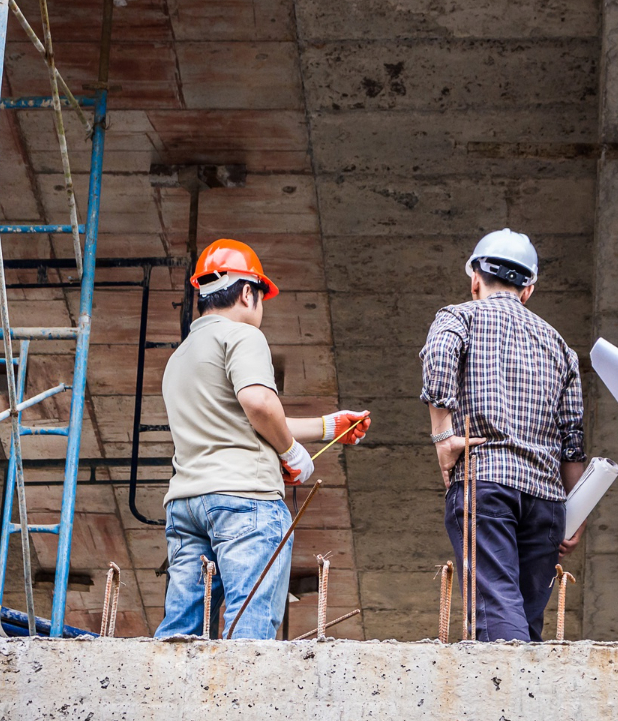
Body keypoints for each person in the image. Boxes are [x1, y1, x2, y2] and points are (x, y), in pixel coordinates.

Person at [156, 239, 371, 639]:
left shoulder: (180, 356)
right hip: (244, 500)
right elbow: (258, 405)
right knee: (248, 623)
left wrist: (328, 426)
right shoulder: (241, 336)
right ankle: (239, 703)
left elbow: (242, 418)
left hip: (186, 506)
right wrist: (291, 453)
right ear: (248, 291)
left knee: (179, 632)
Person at [420, 228, 586, 641]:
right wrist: (575, 513)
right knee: (525, 621)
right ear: (528, 289)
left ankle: (503, 705)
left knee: (496, 614)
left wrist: (443, 436)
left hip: (487, 483)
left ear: (475, 277)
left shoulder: (459, 316)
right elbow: (573, 439)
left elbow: (439, 357)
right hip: (548, 504)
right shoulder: (559, 346)